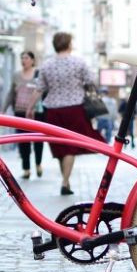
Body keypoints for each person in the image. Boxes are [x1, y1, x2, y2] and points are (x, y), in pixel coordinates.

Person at [28, 32, 104, 195]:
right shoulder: (79, 62)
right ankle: (65, 181)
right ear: (69, 44)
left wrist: (30, 108)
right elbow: (92, 81)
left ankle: (66, 181)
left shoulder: (47, 65)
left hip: (53, 110)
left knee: (60, 146)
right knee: (70, 147)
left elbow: (39, 88)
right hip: (74, 108)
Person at [4, 51, 45, 179]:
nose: (23, 60)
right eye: (22, 58)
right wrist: (4, 109)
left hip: (36, 113)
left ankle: (38, 164)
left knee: (38, 140)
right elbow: (11, 93)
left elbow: (43, 91)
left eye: (26, 58)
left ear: (32, 60)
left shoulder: (38, 74)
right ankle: (26, 169)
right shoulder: (16, 75)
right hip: (20, 112)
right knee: (23, 141)